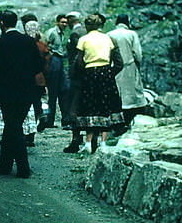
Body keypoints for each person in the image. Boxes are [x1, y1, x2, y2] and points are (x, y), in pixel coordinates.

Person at [0, 11, 44, 178]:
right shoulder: (28, 41)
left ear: (2, 23)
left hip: (6, 90)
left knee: (12, 125)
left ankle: (22, 168)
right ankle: (5, 165)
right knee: (13, 125)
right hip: (26, 90)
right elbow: (39, 65)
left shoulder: (0, 43)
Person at [74, 13, 125, 152]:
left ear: (87, 26)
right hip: (106, 72)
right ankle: (103, 142)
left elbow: (78, 61)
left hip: (90, 73)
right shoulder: (108, 39)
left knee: (90, 107)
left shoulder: (83, 39)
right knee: (106, 107)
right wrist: (110, 73)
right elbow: (119, 62)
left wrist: (81, 75)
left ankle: (88, 143)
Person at [107, 13, 147, 129]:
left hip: (115, 67)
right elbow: (137, 53)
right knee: (133, 93)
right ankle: (133, 118)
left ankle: (118, 121)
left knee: (119, 93)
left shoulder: (109, 34)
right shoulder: (132, 34)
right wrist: (138, 64)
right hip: (130, 66)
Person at [23, 19, 51, 145]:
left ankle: (27, 134)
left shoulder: (23, 44)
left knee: (26, 107)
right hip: (39, 79)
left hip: (26, 79)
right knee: (36, 103)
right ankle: (40, 117)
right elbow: (46, 63)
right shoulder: (42, 45)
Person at [62, 11, 86, 153]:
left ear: (71, 21)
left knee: (74, 106)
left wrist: (72, 72)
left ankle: (76, 139)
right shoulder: (87, 32)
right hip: (91, 74)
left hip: (78, 75)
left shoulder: (75, 34)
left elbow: (75, 56)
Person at [42, 14, 71, 130]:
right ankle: (49, 120)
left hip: (60, 60)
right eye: (62, 22)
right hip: (53, 60)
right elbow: (45, 45)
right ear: (57, 22)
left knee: (64, 89)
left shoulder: (62, 34)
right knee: (52, 92)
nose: (64, 24)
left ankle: (65, 119)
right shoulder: (52, 32)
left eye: (66, 22)